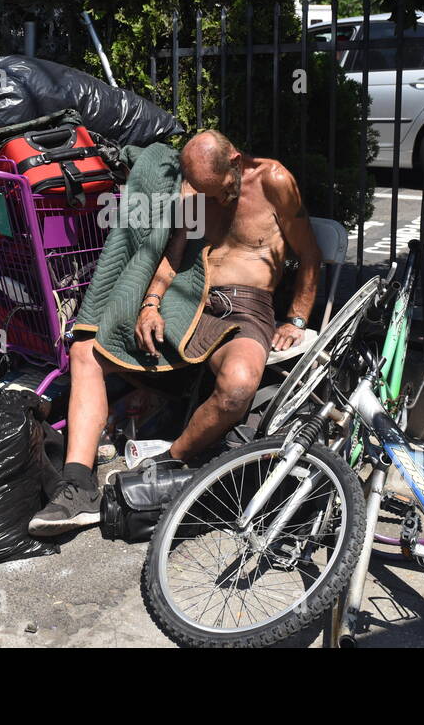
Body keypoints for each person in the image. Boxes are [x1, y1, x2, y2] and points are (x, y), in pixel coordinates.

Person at [29, 130, 322, 536]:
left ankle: (166, 463)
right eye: (199, 190)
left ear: (235, 162)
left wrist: (297, 319)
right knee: (87, 351)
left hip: (245, 306)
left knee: (238, 387)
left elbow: (310, 255)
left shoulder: (273, 180)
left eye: (215, 189)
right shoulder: (195, 188)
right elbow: (174, 253)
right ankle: (78, 488)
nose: (210, 198)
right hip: (186, 297)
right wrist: (150, 303)